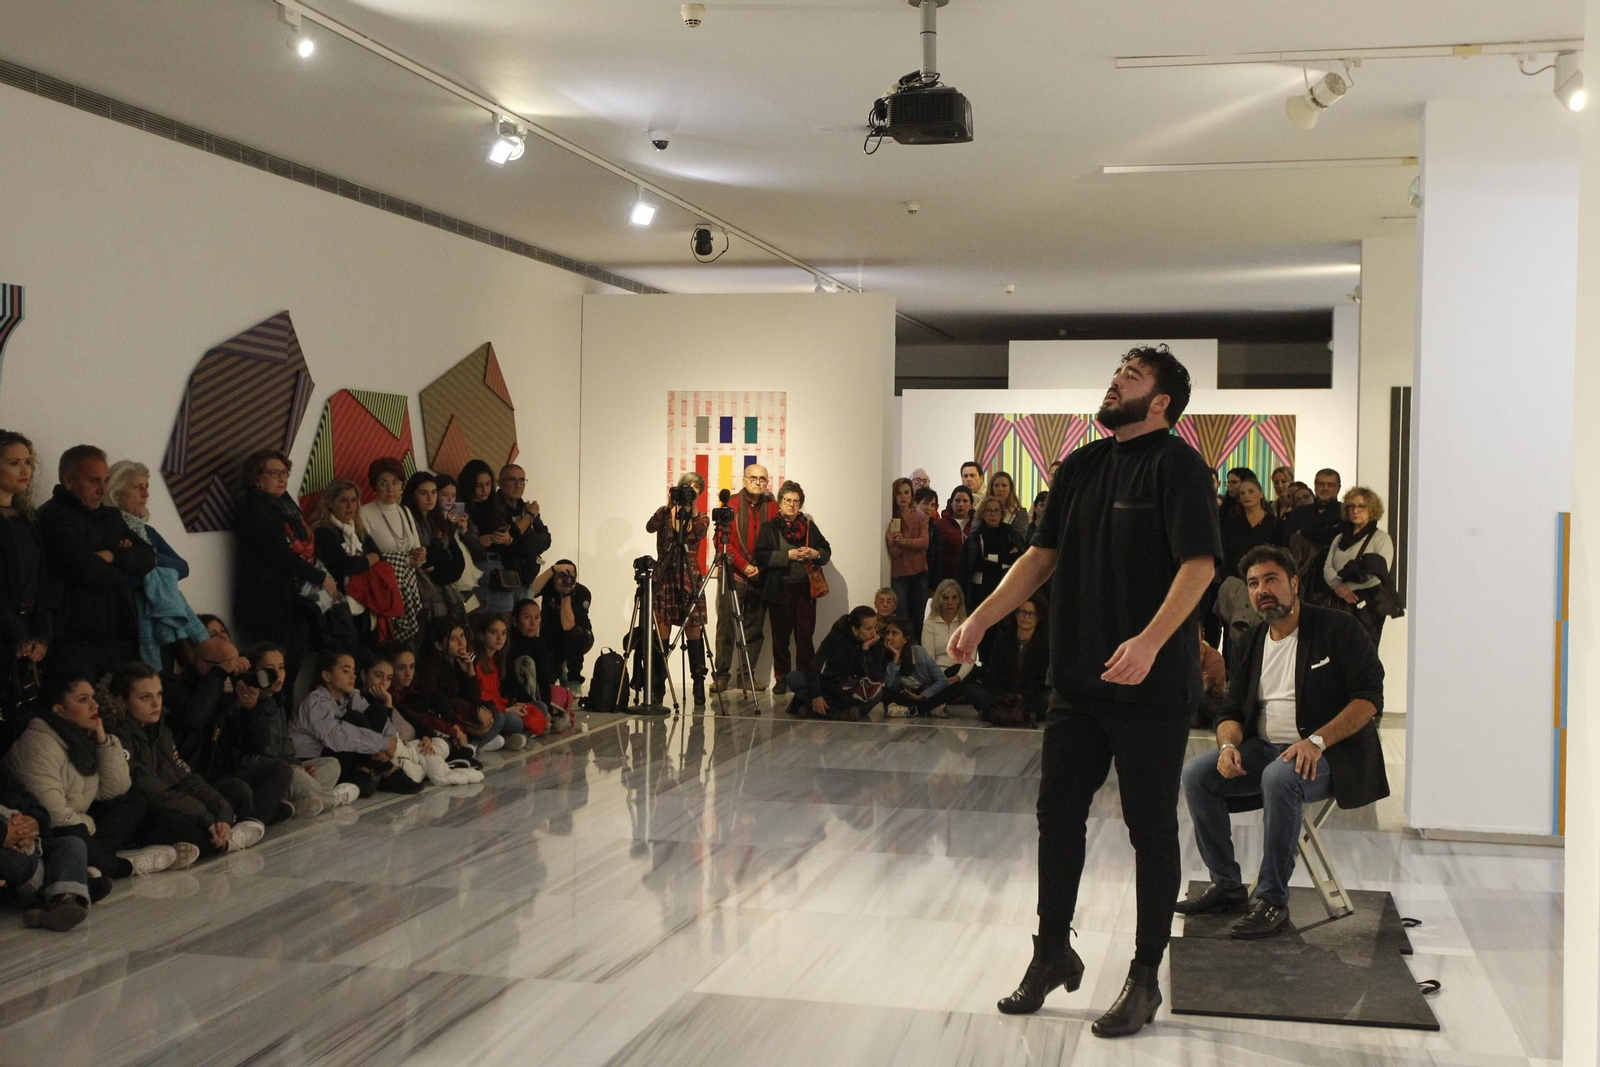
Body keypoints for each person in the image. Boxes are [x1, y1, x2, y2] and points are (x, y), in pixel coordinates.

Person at [952, 344, 1220, 1038]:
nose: (1115, 382)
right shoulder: (1080, 465)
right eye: (1115, 374)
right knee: (1056, 818)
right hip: (1076, 680)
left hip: (1152, 686)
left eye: (1131, 376)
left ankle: (1143, 975)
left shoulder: (1181, 467)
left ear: (1161, 401)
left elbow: (1199, 565)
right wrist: (980, 619)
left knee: (1150, 829)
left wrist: (1154, 639)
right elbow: (1041, 557)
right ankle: (1050, 951)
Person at [1178, 545, 1387, 938]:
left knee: (1280, 777)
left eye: (1271, 579)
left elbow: (1369, 700)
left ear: (1294, 583)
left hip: (1331, 754)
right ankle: (1226, 886)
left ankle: (1273, 900)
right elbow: (1230, 712)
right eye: (1254, 583)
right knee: (1195, 775)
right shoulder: (1250, 641)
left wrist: (1318, 741)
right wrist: (1227, 747)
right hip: (1264, 750)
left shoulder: (1338, 628)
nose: (1262, 590)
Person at [4, 673, 175, 879]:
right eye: (83, 700)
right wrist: (87, 822)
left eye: (93, 697)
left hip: (76, 820)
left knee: (134, 799)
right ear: (59, 710)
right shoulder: (38, 746)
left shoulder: (81, 736)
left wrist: (103, 741)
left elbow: (116, 788)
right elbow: (53, 816)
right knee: (73, 832)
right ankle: (123, 866)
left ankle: (89, 864)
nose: (95, 706)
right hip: (49, 831)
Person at [106, 663, 268, 862]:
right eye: (145, 697)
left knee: (237, 791)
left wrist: (220, 809)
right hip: (143, 813)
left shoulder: (161, 730)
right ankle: (226, 838)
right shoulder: (117, 736)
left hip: (175, 800)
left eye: (159, 694)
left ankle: (224, 830)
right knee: (185, 826)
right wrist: (204, 815)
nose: (156, 703)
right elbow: (151, 791)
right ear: (122, 700)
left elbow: (184, 776)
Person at [37, 445, 156, 678]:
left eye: (106, 480)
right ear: (69, 481)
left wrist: (112, 555)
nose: (103, 490)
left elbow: (148, 557)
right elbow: (86, 570)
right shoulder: (54, 516)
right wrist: (124, 567)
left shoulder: (109, 515)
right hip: (74, 640)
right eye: (94, 481)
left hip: (119, 635)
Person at [234, 449, 338, 699]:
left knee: (290, 672)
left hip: (294, 600)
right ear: (256, 477)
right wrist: (320, 577)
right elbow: (278, 554)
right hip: (269, 603)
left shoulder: (284, 503)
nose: (282, 479)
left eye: (285, 473)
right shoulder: (256, 507)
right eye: (274, 473)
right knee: (273, 676)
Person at [219, 641, 356, 815]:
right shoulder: (241, 705)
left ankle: (298, 802)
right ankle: (333, 799)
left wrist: (297, 765)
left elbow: (286, 744)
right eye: (270, 669)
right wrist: (290, 769)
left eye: (281, 667)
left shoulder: (277, 702)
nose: (278, 675)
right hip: (264, 777)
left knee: (331, 764)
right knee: (296, 777)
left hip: (285, 769)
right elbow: (245, 757)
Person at [108, 460, 208, 669]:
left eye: (147, 487)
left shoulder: (149, 532)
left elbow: (183, 567)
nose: (146, 494)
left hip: (161, 619)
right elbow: (127, 580)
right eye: (138, 487)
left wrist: (148, 559)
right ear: (116, 493)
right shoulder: (108, 531)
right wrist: (149, 566)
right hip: (127, 623)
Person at [291, 650, 423, 794]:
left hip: (345, 756)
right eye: (346, 671)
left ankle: (363, 772)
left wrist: (388, 738)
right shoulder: (315, 702)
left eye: (353, 671)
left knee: (376, 710)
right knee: (354, 718)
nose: (353, 676)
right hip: (316, 762)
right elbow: (337, 738)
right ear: (326, 675)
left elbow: (382, 723)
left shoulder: (352, 695)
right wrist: (382, 745)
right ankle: (388, 771)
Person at [0, 760, 99, 931]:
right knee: (24, 862)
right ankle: (73, 888)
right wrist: (4, 834)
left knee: (72, 842)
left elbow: (32, 804)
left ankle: (62, 899)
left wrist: (34, 823)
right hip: (14, 855)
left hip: (26, 846)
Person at [0, 430, 54, 738]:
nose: (25, 471)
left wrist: (42, 635)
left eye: (28, 462)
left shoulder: (27, 519)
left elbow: (43, 582)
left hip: (29, 635)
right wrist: (17, 635)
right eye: (14, 463)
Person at [757, 481, 831, 696]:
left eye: (795, 501)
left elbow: (826, 550)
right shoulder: (770, 528)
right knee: (780, 638)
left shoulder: (808, 526)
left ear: (801, 504)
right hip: (780, 590)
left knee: (805, 637)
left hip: (805, 591)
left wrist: (814, 553)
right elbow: (761, 556)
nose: (791, 505)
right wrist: (786, 556)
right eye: (787, 500)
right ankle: (782, 678)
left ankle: (805, 678)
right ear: (779, 503)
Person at [712, 464, 779, 695]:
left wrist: (760, 567)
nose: (758, 482)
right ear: (743, 480)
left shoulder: (773, 506)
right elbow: (721, 539)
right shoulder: (730, 504)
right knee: (726, 629)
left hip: (761, 577)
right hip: (733, 575)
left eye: (762, 479)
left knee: (754, 630)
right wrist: (744, 565)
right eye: (753, 477)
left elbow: (776, 538)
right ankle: (721, 677)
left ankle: (747, 678)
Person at [414, 618, 525, 753]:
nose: (461, 643)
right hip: (443, 717)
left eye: (462, 636)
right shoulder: (429, 666)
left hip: (461, 712)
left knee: (513, 721)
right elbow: (439, 701)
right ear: (439, 646)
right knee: (502, 719)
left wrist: (470, 674)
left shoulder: (460, 660)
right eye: (453, 639)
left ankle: (488, 741)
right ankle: (472, 747)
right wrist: (475, 711)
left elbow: (473, 697)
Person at [647, 473, 711, 707]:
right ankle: (657, 686)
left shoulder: (701, 518)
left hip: (689, 577)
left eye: (695, 488)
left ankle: (698, 685)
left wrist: (691, 508)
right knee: (661, 632)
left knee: (693, 631)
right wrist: (668, 507)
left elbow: (695, 535)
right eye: (687, 487)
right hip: (665, 575)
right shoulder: (664, 513)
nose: (690, 491)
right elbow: (649, 527)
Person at [309, 478, 393, 642]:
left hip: (366, 602)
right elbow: (346, 565)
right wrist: (367, 560)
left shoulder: (359, 530)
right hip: (339, 606)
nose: (350, 506)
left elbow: (379, 556)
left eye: (354, 500)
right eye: (344, 500)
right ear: (330, 503)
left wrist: (362, 561)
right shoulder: (324, 532)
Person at [360, 458, 429, 646]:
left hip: (407, 588)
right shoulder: (364, 513)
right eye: (383, 483)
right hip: (382, 592)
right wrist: (406, 561)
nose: (390, 489)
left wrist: (419, 556)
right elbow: (365, 556)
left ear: (402, 486)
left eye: (395, 483)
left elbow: (415, 552)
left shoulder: (405, 511)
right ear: (374, 486)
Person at [1323, 487, 1398, 644]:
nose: (1355, 510)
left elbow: (1380, 574)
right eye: (1351, 506)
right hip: (1339, 600)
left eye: (1361, 506)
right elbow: (1328, 567)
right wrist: (1339, 587)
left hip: (1367, 605)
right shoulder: (1340, 538)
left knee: (1364, 648)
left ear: (1372, 509)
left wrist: (1349, 587)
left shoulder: (1381, 538)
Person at [786, 606, 885, 721]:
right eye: (869, 629)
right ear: (855, 630)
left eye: (875, 628)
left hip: (854, 691)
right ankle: (839, 713)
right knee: (793, 677)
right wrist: (816, 695)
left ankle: (818, 711)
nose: (874, 633)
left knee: (878, 694)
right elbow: (814, 667)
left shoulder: (876, 644)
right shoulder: (836, 637)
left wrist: (865, 651)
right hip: (832, 686)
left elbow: (875, 678)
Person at [961, 599, 1050, 724]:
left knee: (1048, 698)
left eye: (1031, 613)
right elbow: (993, 675)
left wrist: (1021, 696)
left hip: (1029, 697)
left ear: (1038, 617)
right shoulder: (1004, 639)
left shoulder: (1045, 643)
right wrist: (1006, 696)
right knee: (971, 689)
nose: (1026, 617)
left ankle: (996, 713)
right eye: (1022, 612)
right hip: (1003, 695)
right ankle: (1020, 715)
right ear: (1015, 614)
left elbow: (1042, 680)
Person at [1276, 468, 1344, 605]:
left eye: (1330, 485)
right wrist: (1323, 532)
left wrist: (1305, 532)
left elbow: (1334, 539)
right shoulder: (1300, 512)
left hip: (1331, 580)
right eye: (1321, 483)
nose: (1325, 488)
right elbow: (1288, 540)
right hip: (1301, 577)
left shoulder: (1344, 513)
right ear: (1314, 485)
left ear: (1338, 488)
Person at [471, 614, 545, 738]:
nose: (500, 638)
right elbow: (480, 696)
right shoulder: (474, 659)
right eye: (493, 632)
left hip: (500, 706)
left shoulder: (497, 659)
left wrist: (513, 705)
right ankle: (523, 735)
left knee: (540, 707)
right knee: (514, 722)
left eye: (504, 633)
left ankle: (519, 736)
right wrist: (507, 710)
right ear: (481, 635)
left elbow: (500, 693)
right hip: (486, 711)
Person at [534, 560, 594, 687]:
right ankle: (560, 670)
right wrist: (552, 570)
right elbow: (531, 591)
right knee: (547, 679)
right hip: (551, 637)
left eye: (570, 575)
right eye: (562, 574)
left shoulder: (582, 592)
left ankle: (574, 679)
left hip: (579, 637)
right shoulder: (549, 585)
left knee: (573, 636)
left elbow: (568, 626)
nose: (567, 579)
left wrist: (565, 594)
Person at [885, 477, 930, 642]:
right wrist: (891, 542)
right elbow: (896, 554)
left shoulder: (920, 516)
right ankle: (904, 654)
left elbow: (924, 542)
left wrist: (905, 542)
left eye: (906, 493)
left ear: (912, 495)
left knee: (918, 619)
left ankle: (916, 654)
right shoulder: (890, 518)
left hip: (919, 574)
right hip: (899, 575)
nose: (903, 497)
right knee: (902, 619)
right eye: (899, 493)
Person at [961, 495, 1024, 610]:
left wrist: (992, 563)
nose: (993, 514)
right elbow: (975, 563)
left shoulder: (1010, 533)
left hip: (1006, 586)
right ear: (982, 513)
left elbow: (1018, 557)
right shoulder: (976, 536)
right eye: (989, 511)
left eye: (996, 510)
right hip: (981, 590)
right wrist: (1001, 564)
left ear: (1002, 513)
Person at [881, 615, 951, 718]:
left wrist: (922, 695)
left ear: (905, 639)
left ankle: (914, 709)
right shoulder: (884, 654)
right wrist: (895, 659)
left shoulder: (919, 652)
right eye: (887, 633)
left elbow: (942, 680)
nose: (889, 637)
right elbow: (888, 686)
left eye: (894, 633)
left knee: (956, 682)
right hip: (904, 696)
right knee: (882, 692)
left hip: (925, 694)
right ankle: (928, 709)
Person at [1220, 475, 1278, 578]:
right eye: (1242, 493)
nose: (1246, 496)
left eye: (1251, 491)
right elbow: (1225, 552)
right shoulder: (1232, 523)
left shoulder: (1274, 523)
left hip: (1265, 577)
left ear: (1261, 494)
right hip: (1235, 579)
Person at [922, 579, 973, 686]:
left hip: (960, 673)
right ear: (939, 600)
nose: (950, 603)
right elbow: (929, 658)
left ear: (959, 600)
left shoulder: (967, 624)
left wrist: (959, 677)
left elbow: (970, 657)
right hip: (938, 674)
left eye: (954, 598)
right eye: (945, 598)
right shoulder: (930, 623)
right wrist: (940, 679)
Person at [930, 486, 972, 586]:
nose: (961, 504)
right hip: (947, 577)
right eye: (957, 500)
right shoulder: (940, 524)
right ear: (951, 502)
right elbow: (936, 556)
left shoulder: (977, 524)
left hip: (970, 578)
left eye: (965, 501)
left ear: (971, 504)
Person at [914, 487, 945, 588]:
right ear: (915, 504)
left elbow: (938, 558)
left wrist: (935, 585)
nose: (928, 508)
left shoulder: (935, 528)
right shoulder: (909, 525)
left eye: (932, 505)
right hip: (909, 576)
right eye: (925, 503)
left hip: (928, 578)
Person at [989, 472, 1029, 538]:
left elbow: (1019, 540)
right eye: (996, 486)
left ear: (1010, 489)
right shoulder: (983, 510)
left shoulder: (1020, 513)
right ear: (991, 488)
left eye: (1004, 486)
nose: (1000, 489)